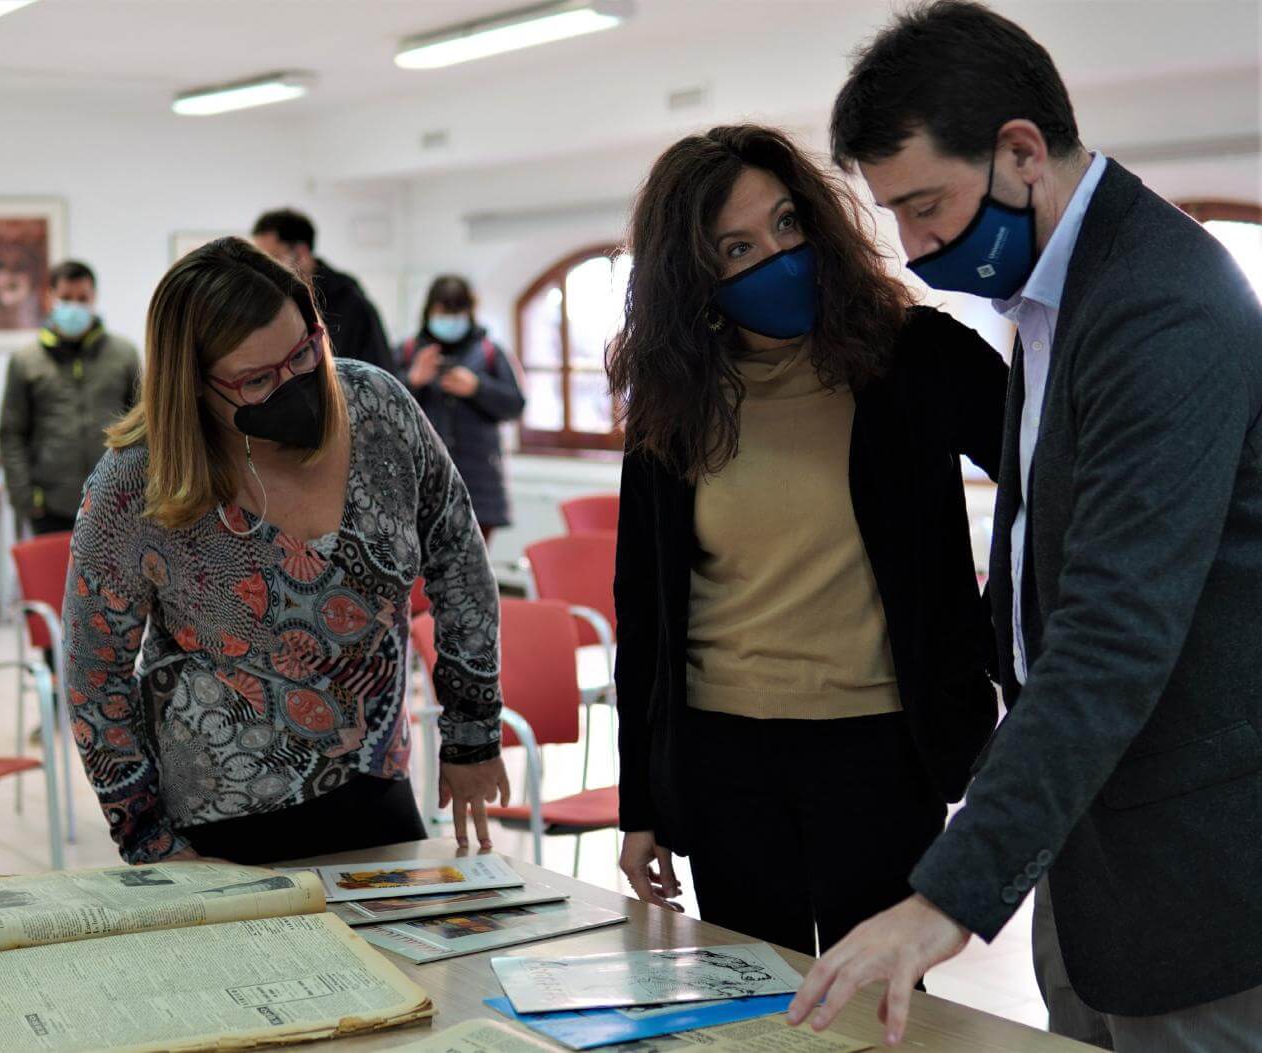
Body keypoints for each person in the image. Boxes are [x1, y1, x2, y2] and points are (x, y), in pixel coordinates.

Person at [789, 3, 1262, 1049]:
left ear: (1018, 152)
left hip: (1193, 871)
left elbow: (1114, 631)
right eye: (893, 218)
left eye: (925, 207)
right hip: (1093, 848)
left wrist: (945, 899)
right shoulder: (1058, 297)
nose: (913, 249)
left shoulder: (1160, 304)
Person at [607, 125, 1007, 960]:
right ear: (696, 276)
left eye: (787, 224)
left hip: (879, 748)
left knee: (878, 999)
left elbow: (1054, 473)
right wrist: (639, 802)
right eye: (738, 247)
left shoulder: (914, 357)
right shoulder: (674, 405)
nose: (778, 256)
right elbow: (642, 613)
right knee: (752, 993)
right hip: (724, 756)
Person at [62, 237, 510, 866]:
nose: (293, 384)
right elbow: (93, 675)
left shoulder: (377, 409)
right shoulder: (137, 481)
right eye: (256, 379)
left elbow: (460, 564)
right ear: (192, 384)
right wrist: (147, 839)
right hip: (217, 824)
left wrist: (472, 735)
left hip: (377, 785)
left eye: (304, 352)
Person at [0, 260, 141, 537]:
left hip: (116, 502)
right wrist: (25, 498)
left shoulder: (124, 354)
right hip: (51, 507)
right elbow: (11, 433)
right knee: (52, 580)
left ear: (94, 299)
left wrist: (139, 489)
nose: (74, 306)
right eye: (65, 298)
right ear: (49, 297)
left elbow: (143, 426)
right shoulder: (25, 360)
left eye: (82, 298)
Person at [398, 275, 526, 543]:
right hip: (420, 484)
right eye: (444, 312)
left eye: (458, 312)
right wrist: (413, 381)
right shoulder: (407, 352)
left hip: (479, 487)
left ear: (470, 313)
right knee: (422, 574)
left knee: (474, 574)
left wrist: (477, 388)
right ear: (429, 311)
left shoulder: (491, 352)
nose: (450, 319)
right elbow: (380, 408)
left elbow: (516, 405)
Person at [251, 208, 397, 374]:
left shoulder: (350, 303)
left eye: (273, 258)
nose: (263, 270)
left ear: (301, 252)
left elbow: (378, 373)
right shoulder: (271, 303)